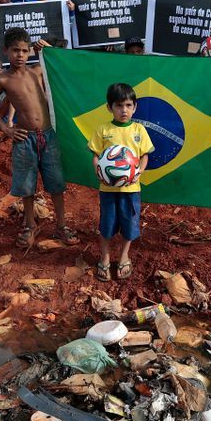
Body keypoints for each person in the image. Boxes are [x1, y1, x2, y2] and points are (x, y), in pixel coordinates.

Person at [0, 28, 80, 249]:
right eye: (15, 50)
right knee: (27, 186)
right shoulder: (3, 79)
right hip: (23, 138)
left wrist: (46, 50)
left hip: (48, 135)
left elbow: (65, 66)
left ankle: (61, 225)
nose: (20, 55)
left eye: (24, 50)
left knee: (56, 183)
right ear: (5, 52)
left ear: (30, 51)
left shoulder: (38, 70)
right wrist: (6, 130)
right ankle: (30, 224)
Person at [88, 83, 154, 281]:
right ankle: (105, 257)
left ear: (134, 107)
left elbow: (144, 156)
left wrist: (138, 172)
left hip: (131, 188)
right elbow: (96, 155)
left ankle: (124, 256)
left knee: (129, 223)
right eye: (118, 105)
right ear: (110, 108)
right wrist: (99, 171)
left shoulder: (139, 130)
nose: (123, 110)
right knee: (106, 224)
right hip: (107, 189)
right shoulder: (103, 130)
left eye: (127, 105)